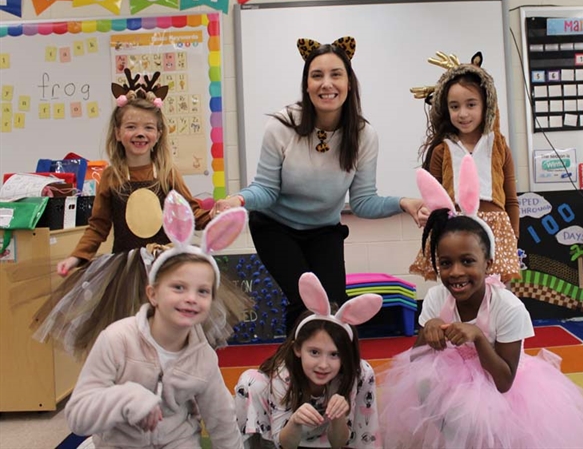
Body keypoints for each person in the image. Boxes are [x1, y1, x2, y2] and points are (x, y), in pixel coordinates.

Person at [378, 157, 583, 448]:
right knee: (437, 403)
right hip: (449, 387)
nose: (456, 272)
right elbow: (417, 363)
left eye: (467, 261)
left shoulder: (507, 307)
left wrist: (479, 338)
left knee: (481, 422)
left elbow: (504, 382)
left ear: (489, 263)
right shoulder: (436, 298)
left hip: (502, 394)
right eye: (445, 263)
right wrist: (427, 331)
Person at [215, 36, 424, 333]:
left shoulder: (363, 136)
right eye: (317, 76)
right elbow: (266, 189)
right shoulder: (281, 126)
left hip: (323, 231)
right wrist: (238, 200)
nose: (327, 84)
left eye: (336, 74)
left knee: (335, 309)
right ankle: (297, 376)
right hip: (275, 228)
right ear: (307, 85)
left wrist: (405, 202)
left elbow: (364, 201)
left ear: (349, 83)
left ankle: (339, 376)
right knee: (306, 305)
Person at [32, 69, 247, 358]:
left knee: (172, 331)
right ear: (118, 133)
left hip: (169, 265)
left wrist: (218, 217)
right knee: (132, 336)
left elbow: (192, 212)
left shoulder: (167, 174)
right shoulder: (111, 177)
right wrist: (76, 257)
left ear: (158, 134)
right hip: (126, 271)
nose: (140, 133)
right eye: (131, 127)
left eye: (148, 128)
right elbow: (98, 226)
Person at [65, 190, 247, 449]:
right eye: (178, 288)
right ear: (153, 294)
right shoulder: (117, 339)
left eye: (203, 291)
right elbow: (78, 419)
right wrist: (127, 398)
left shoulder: (202, 357)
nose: (191, 298)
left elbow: (222, 423)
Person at [234, 272, 383, 449]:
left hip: (330, 438)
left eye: (334, 354)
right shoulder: (283, 373)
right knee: (250, 381)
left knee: (364, 370)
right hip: (287, 436)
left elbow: (339, 443)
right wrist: (295, 421)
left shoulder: (358, 373)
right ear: (297, 348)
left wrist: (339, 418)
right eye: (314, 352)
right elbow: (285, 444)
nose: (323, 364)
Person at [409, 52, 521, 283]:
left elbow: (511, 199)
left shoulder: (499, 147)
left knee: (495, 293)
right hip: (455, 230)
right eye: (454, 106)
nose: (463, 113)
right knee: (457, 285)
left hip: (497, 232)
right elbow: (435, 200)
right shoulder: (442, 149)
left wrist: (514, 236)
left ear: (486, 105)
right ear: (445, 109)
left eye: (471, 104)